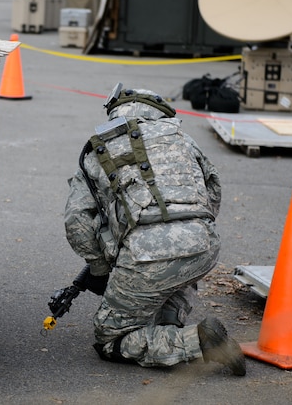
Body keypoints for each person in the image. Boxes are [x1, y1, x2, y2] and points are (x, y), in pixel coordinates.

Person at [63, 83, 246, 376]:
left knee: (111, 338)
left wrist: (100, 267)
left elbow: (77, 220)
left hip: (147, 256)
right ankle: (168, 322)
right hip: (203, 245)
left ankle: (199, 341)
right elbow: (213, 190)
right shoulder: (183, 140)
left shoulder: (98, 149)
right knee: (179, 263)